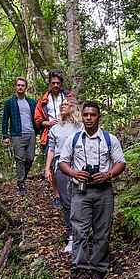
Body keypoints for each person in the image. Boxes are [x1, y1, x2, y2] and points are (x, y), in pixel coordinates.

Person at [58, 101, 126, 279]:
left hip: (104, 191)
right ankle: (80, 273)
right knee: (79, 231)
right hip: (80, 191)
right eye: (86, 115)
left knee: (102, 232)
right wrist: (74, 173)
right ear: (82, 116)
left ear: (98, 117)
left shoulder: (109, 139)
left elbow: (120, 162)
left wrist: (108, 174)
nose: (89, 118)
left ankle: (97, 272)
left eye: (92, 115)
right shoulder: (73, 139)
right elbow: (63, 162)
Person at [44, 99, 83, 254]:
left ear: (72, 107)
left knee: (80, 199)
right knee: (66, 202)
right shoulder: (55, 129)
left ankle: (83, 234)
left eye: (66, 103)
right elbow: (51, 149)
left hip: (78, 164)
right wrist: (48, 168)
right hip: (61, 165)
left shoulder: (80, 126)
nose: (62, 105)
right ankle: (71, 237)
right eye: (61, 104)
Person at [34, 70, 72, 205]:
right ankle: (57, 195)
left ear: (61, 84)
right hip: (50, 134)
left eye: (58, 83)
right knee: (52, 166)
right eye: (53, 83)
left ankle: (71, 191)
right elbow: (37, 120)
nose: (56, 85)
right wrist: (48, 123)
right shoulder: (43, 100)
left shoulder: (68, 96)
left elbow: (76, 111)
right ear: (49, 83)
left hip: (68, 133)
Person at [1, 77, 39, 195]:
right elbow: (5, 120)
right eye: (18, 85)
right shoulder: (9, 103)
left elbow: (37, 117)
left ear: (25, 87)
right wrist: (5, 136)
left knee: (30, 158)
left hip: (31, 133)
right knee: (20, 159)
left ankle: (23, 177)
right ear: (15, 87)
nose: (20, 87)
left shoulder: (32, 102)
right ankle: (21, 183)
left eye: (22, 85)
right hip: (17, 134)